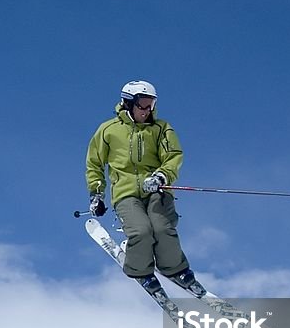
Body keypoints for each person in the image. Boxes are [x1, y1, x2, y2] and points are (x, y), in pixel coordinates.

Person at [85, 80, 205, 298]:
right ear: (128, 104)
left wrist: (161, 175)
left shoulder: (161, 129)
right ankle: (140, 270)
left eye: (151, 104)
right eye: (142, 104)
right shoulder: (108, 130)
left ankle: (175, 269)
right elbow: (94, 163)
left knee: (162, 228)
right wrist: (97, 193)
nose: (147, 110)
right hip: (126, 193)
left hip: (156, 189)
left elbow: (173, 156)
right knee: (141, 231)